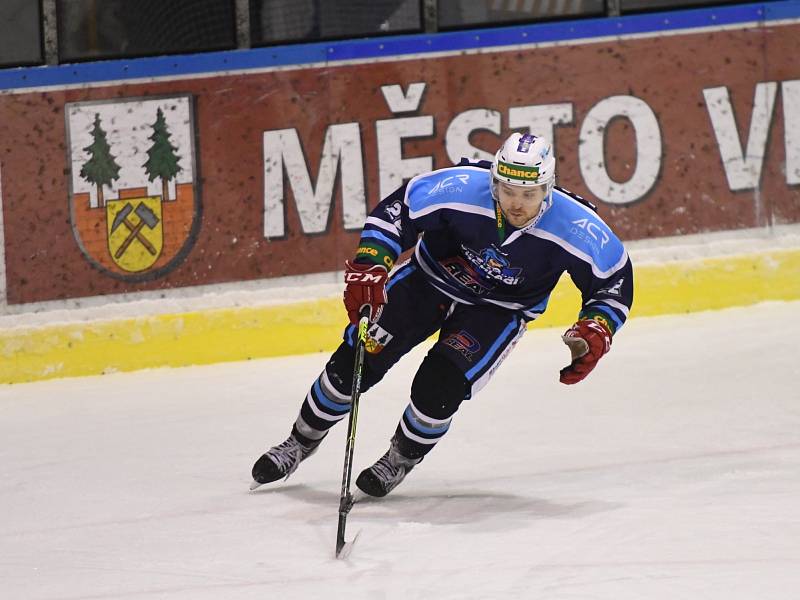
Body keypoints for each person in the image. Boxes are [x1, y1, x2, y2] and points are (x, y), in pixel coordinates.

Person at [250, 132, 634, 497]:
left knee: (440, 388)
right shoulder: (462, 186)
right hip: (425, 282)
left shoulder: (577, 225)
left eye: (529, 194)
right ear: (494, 181)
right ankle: (298, 442)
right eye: (508, 191)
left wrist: (597, 327)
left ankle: (400, 458)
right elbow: (400, 209)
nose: (516, 203)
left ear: (547, 190)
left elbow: (614, 279)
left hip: (496, 312)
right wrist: (373, 260)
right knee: (353, 364)